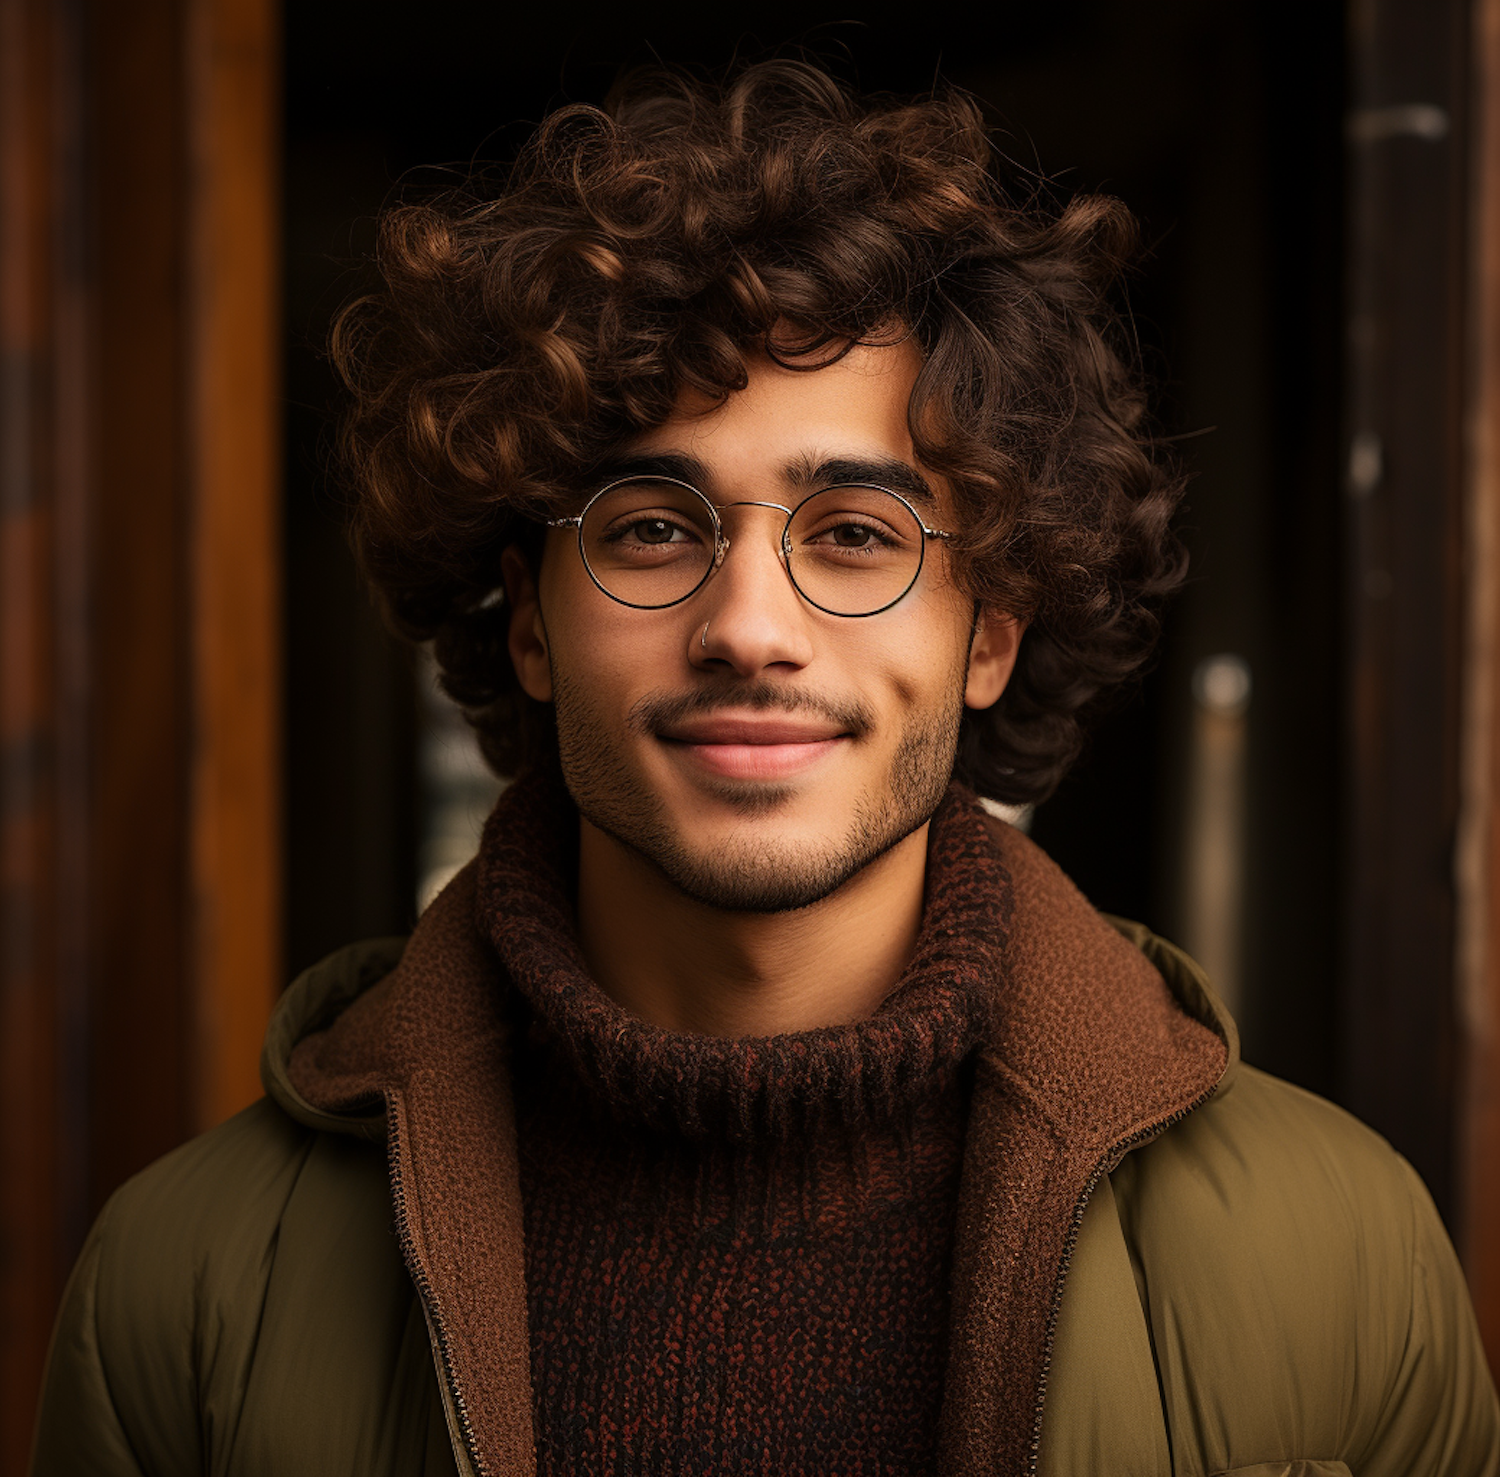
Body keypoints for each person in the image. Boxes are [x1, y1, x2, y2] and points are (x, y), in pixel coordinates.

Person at [31, 60, 1499, 1477]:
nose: (748, 629)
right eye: (655, 530)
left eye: (856, 535)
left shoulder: (1344, 1260)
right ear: (528, 620)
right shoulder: (186, 1288)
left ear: (990, 632)